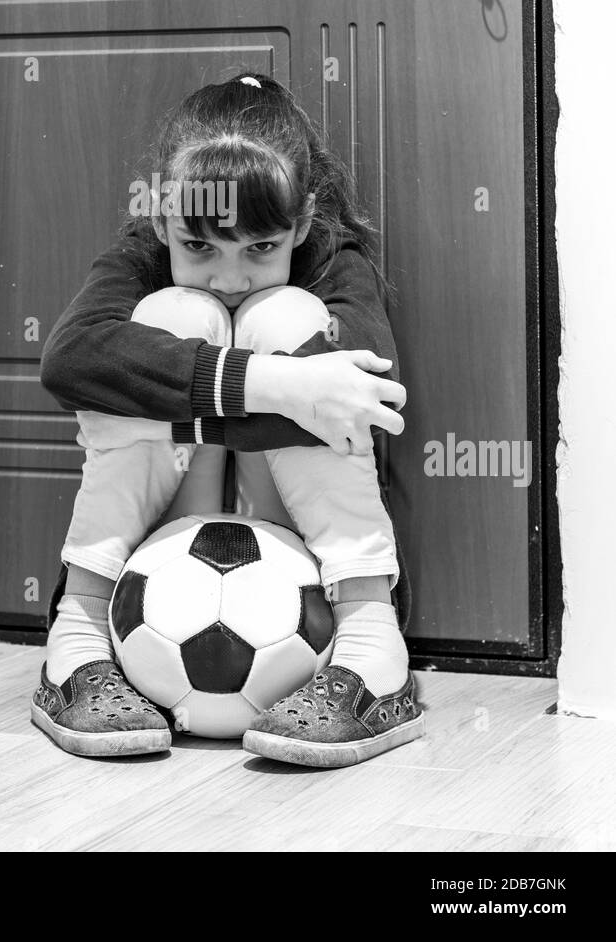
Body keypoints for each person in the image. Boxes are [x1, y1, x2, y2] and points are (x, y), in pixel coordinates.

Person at [31, 71, 424, 766]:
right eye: (201, 248)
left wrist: (199, 393)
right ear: (161, 220)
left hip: (299, 543)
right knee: (174, 318)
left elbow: (366, 388)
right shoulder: (144, 258)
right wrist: (272, 384)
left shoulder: (332, 261)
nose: (231, 277)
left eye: (262, 249)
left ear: (300, 222)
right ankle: (82, 629)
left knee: (289, 321)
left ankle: (372, 647)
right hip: (168, 531)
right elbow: (69, 361)